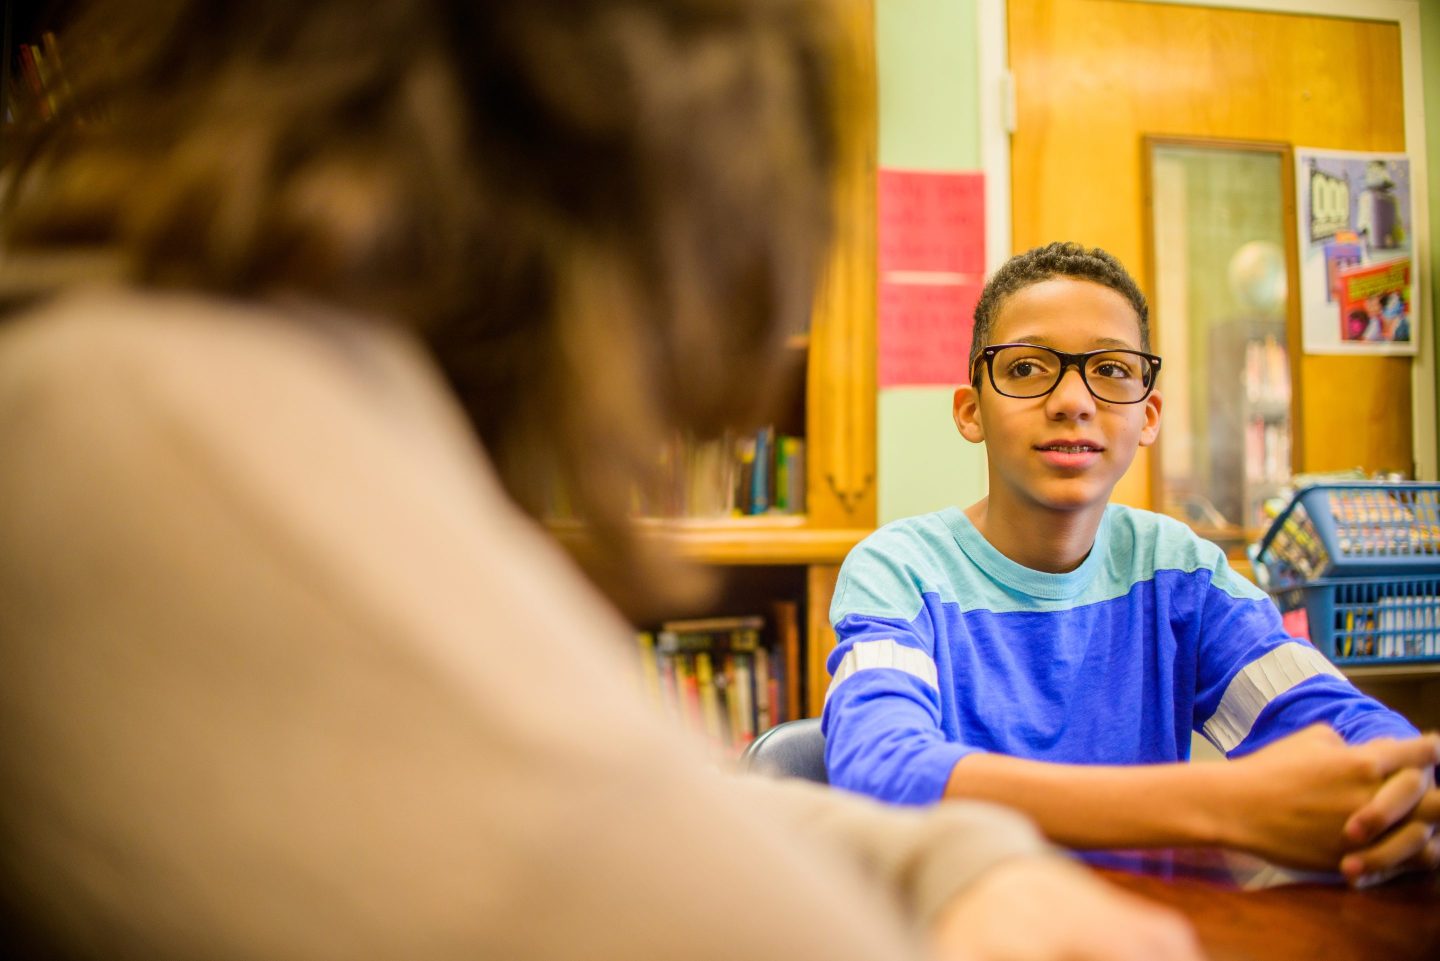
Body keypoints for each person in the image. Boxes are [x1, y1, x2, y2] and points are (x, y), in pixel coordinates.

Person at [0, 4, 1205, 960]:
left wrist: (952, 866)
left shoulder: (261, 382)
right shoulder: (153, 418)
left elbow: (614, 791)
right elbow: (633, 870)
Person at [822, 242, 1440, 885]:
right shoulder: (901, 571)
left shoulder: (1180, 575)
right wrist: (1221, 809)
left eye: (1112, 370)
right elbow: (880, 770)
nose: (1072, 400)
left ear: (1148, 417)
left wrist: (1399, 785)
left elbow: (1342, 725)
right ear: (971, 410)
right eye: (1029, 367)